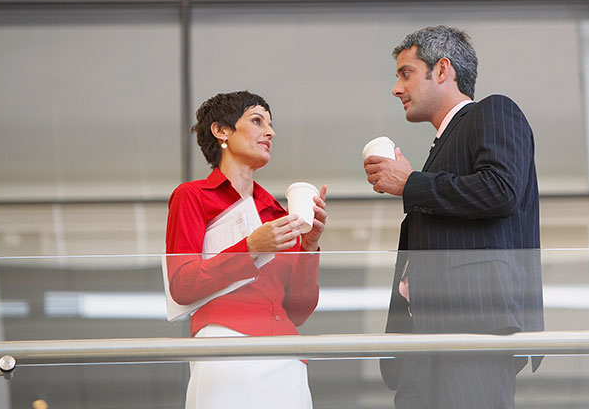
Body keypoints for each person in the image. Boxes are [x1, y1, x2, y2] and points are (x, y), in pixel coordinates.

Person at [364, 25, 543, 408]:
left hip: (473, 326)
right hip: (421, 339)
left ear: (442, 70)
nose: (397, 88)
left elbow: (501, 190)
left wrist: (411, 184)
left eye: (406, 73)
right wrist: (414, 183)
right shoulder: (440, 149)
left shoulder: (494, 110)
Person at [165, 91, 327, 409]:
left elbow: (298, 310)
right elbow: (181, 285)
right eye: (257, 121)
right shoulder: (192, 197)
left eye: (270, 124)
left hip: (286, 355)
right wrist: (250, 247)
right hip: (224, 344)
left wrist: (309, 247)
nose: (270, 132)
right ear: (221, 131)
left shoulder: (277, 215)